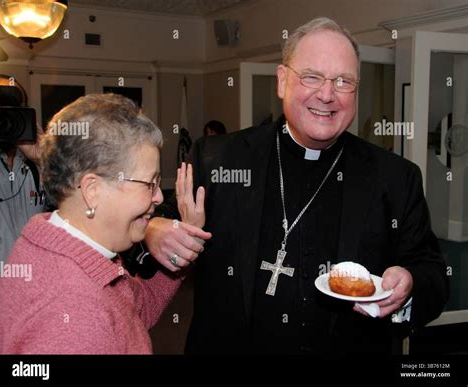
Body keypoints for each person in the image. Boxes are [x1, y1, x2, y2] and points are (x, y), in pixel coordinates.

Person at [145, 17, 449, 354]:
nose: (327, 94)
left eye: (343, 81)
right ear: (281, 81)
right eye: (312, 77)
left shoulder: (395, 176)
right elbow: (154, 228)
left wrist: (408, 286)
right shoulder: (217, 158)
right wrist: (154, 229)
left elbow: (432, 274)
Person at [0, 93, 194, 354]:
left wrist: (180, 251)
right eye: (149, 183)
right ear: (93, 190)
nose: (158, 197)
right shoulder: (74, 315)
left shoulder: (77, 249)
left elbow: (133, 313)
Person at [0, 76, 46, 286]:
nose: (3, 122)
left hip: (35, 281)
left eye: (10, 114)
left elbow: (77, 203)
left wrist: (45, 158)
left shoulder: (36, 168)